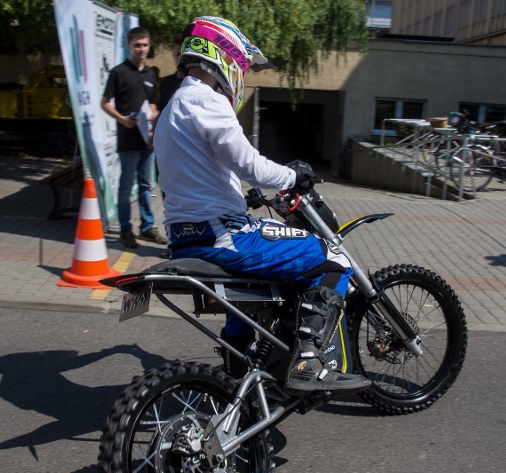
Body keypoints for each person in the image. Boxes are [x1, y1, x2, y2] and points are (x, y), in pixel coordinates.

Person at [153, 16, 368, 392]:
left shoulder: (174, 107)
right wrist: (293, 177)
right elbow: (247, 162)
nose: (242, 75)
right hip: (222, 234)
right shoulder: (207, 100)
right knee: (332, 259)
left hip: (186, 235)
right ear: (224, 58)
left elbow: (208, 169)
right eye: (242, 66)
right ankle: (308, 360)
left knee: (252, 293)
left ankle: (235, 373)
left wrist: (239, 195)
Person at [101, 27, 167, 249]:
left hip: (146, 140)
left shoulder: (150, 74)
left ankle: (147, 227)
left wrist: (155, 117)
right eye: (137, 45)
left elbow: (153, 104)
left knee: (146, 185)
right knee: (126, 186)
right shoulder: (118, 72)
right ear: (128, 46)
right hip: (128, 139)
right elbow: (104, 103)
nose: (141, 49)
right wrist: (122, 120)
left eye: (145, 45)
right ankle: (125, 230)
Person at [157, 34, 184, 112]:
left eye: (183, 54)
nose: (181, 58)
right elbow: (160, 111)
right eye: (178, 54)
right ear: (173, 55)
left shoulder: (197, 83)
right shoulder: (166, 82)